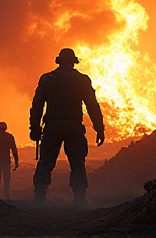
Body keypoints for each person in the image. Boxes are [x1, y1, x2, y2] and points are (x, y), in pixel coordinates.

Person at [29, 48, 105, 206]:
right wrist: (99, 127)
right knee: (77, 164)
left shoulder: (47, 79)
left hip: (52, 126)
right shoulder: (82, 80)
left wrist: (35, 127)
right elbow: (92, 105)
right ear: (74, 62)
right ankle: (79, 202)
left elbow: (37, 105)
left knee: (45, 162)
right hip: (74, 127)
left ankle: (38, 201)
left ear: (59, 61)